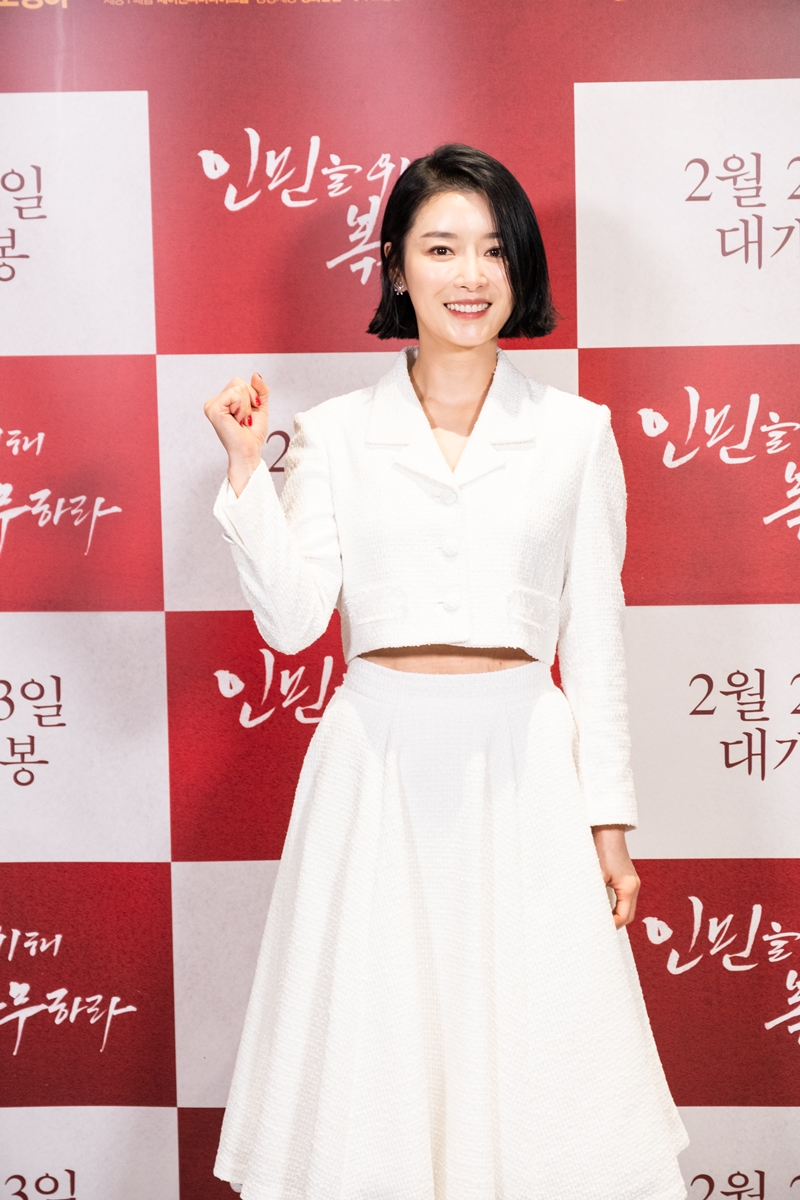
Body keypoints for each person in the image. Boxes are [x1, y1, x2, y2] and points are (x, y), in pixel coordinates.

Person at [204, 143, 689, 1200]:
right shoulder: (333, 435)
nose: (470, 275)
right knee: (378, 1043)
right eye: (440, 248)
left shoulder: (575, 435)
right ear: (395, 266)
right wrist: (246, 475)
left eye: (492, 250)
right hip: (376, 761)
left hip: (526, 763)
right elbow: (292, 624)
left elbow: (595, 643)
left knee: (538, 1049)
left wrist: (609, 827)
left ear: (519, 269)